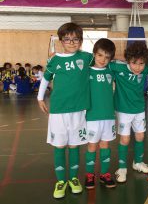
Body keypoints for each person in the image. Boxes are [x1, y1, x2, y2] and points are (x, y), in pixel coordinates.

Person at [37, 22, 93, 199]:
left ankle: (73, 179)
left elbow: (103, 59)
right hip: (59, 111)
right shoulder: (55, 60)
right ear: (61, 41)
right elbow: (46, 78)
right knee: (60, 145)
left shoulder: (87, 57)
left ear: (81, 41)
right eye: (67, 39)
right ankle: (61, 180)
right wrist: (40, 98)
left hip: (79, 110)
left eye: (76, 39)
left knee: (74, 145)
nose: (71, 42)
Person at [110, 41, 148, 183]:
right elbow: (99, 61)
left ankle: (138, 162)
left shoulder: (146, 69)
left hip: (139, 109)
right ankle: (122, 168)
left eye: (141, 63)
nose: (138, 67)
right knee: (125, 139)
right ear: (128, 60)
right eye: (134, 63)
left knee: (140, 136)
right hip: (123, 110)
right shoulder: (117, 67)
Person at [85, 38, 117, 189]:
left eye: (107, 57)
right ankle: (89, 175)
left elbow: (125, 62)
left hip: (108, 116)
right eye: (100, 55)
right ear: (94, 55)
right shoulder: (87, 70)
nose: (103, 60)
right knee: (92, 146)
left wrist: (116, 57)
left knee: (105, 145)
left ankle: (104, 174)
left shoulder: (111, 69)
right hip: (92, 116)